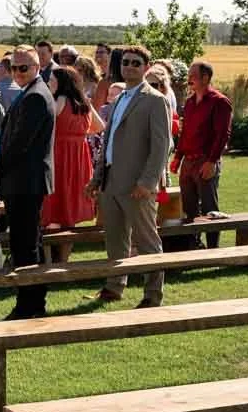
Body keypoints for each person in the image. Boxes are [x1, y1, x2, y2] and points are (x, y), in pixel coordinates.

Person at [87, 44, 171, 308]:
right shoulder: (120, 98)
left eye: (136, 63)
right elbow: (108, 141)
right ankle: (114, 287)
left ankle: (152, 295)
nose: (130, 67)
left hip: (137, 185)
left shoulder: (155, 100)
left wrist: (147, 182)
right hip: (111, 182)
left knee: (147, 241)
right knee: (115, 239)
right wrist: (96, 178)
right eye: (126, 62)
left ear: (146, 68)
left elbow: (162, 146)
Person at [0, 47, 55, 319]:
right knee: (28, 243)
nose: (17, 72)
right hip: (23, 181)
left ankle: (29, 305)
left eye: (23, 68)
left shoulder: (36, 96)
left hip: (26, 182)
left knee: (24, 245)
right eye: (13, 67)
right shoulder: (30, 92)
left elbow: (19, 144)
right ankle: (33, 301)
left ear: (37, 66)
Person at [171, 59, 233, 248]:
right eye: (189, 76)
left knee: (209, 208)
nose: (189, 79)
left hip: (205, 160)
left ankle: (214, 249)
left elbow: (223, 135)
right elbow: (185, 132)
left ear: (206, 78)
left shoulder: (220, 102)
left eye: (193, 76)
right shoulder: (189, 103)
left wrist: (212, 161)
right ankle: (194, 245)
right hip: (188, 161)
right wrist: (177, 157)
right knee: (189, 208)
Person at [40, 66, 103, 229]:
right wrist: (77, 133)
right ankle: (64, 254)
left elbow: (43, 125)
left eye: (52, 80)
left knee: (56, 200)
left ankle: (53, 251)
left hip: (59, 152)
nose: (48, 83)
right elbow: (99, 126)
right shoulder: (84, 102)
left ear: (61, 83)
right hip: (79, 154)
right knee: (71, 202)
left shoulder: (59, 100)